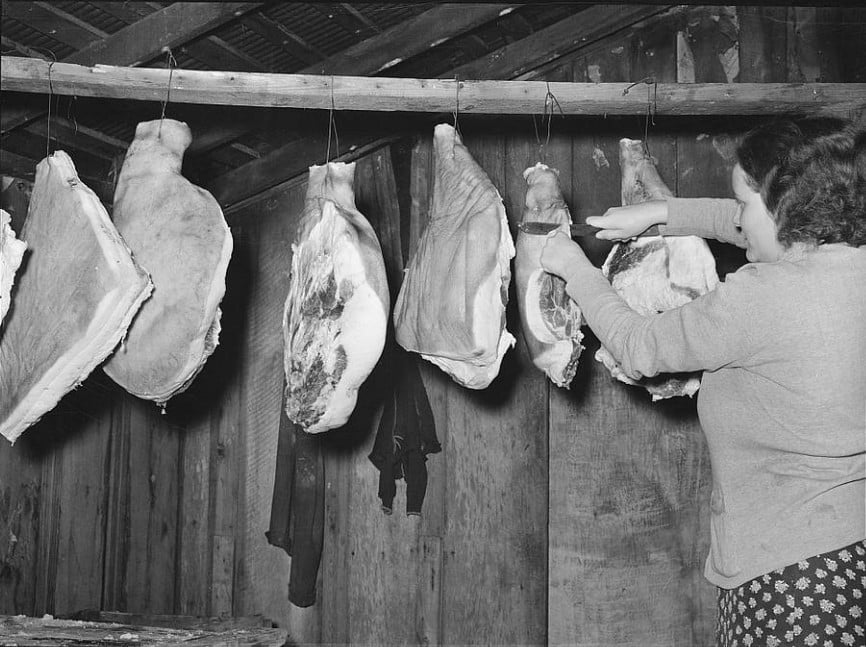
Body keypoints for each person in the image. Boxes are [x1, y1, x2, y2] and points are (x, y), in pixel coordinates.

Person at [540, 118, 866, 646]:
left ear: (788, 207)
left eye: (745, 202)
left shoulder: (761, 297)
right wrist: (660, 214)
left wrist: (575, 270)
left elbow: (640, 348)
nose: (736, 218)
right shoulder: (849, 260)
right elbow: (750, 227)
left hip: (788, 576)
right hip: (849, 553)